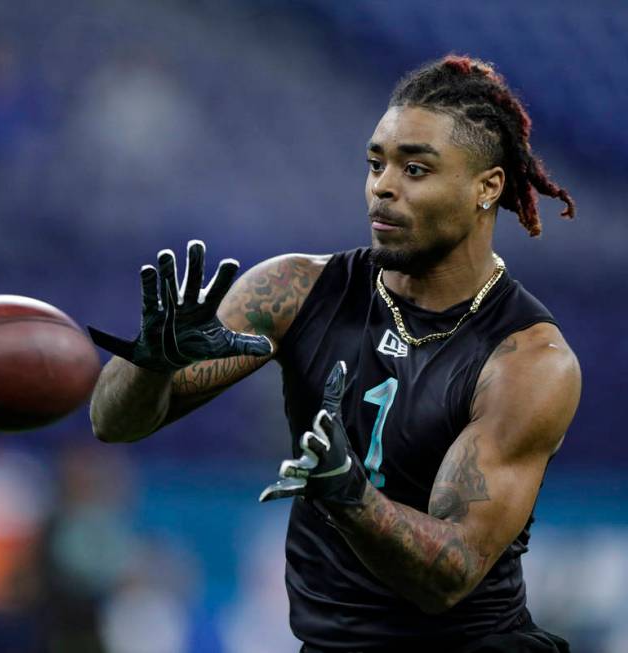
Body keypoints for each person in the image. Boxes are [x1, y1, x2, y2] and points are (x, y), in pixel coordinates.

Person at [88, 55, 582, 652]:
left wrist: (350, 494)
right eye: (376, 164)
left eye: (416, 169)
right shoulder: (295, 291)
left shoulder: (527, 361)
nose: (383, 187)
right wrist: (152, 365)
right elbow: (111, 422)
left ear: (488, 187)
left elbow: (449, 576)